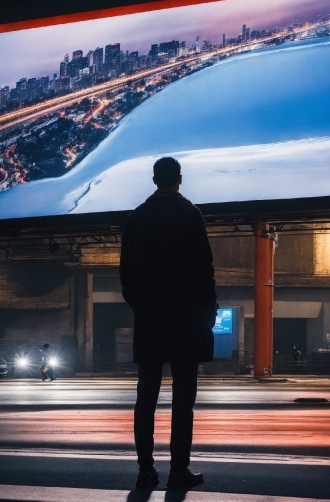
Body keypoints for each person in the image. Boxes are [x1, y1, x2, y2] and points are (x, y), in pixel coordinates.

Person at [119, 156, 217, 490]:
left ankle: (145, 471)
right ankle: (179, 470)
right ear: (179, 179)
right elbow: (204, 271)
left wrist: (143, 307)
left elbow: (125, 279)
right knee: (182, 402)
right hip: (185, 323)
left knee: (145, 399)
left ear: (153, 180)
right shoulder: (190, 215)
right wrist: (207, 313)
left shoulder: (135, 219)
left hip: (149, 324)